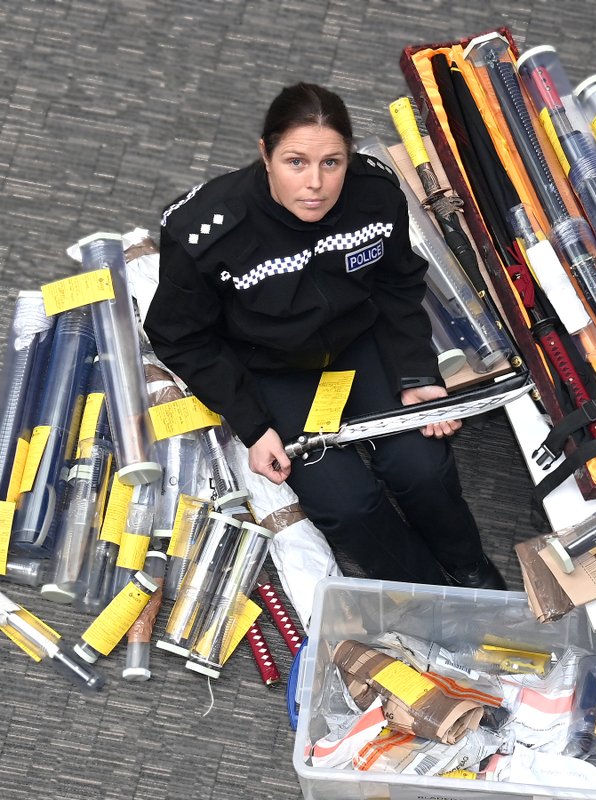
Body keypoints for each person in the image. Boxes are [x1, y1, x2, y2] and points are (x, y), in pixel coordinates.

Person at [144, 82, 506, 589]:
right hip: (271, 369)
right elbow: (179, 336)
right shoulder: (203, 232)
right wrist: (251, 422)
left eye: (331, 163)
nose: (315, 183)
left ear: (348, 157)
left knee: (422, 466)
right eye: (296, 162)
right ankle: (427, 591)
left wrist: (416, 370)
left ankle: (468, 565)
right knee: (348, 503)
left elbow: (399, 281)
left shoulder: (376, 194)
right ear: (265, 154)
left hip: (357, 346)